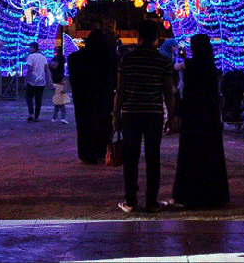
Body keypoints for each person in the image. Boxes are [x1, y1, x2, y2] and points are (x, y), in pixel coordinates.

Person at [113, 20, 176, 213]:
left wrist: (116, 115)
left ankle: (131, 201)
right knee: (152, 157)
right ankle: (151, 201)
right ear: (157, 37)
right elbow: (168, 92)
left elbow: (120, 90)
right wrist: (171, 117)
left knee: (131, 157)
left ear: (138, 36)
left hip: (130, 113)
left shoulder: (126, 59)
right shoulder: (164, 61)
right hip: (153, 114)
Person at [172, 34, 230, 209]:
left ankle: (190, 194)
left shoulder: (192, 65)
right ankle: (213, 194)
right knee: (210, 153)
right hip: (210, 115)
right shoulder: (211, 66)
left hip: (193, 116)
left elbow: (188, 92)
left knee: (192, 153)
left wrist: (178, 110)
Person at [67, 29, 116, 163]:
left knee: (84, 125)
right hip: (104, 98)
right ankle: (101, 151)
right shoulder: (109, 58)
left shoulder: (75, 59)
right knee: (103, 124)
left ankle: (86, 152)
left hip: (83, 98)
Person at [25, 42, 49, 122]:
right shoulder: (43, 57)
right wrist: (49, 80)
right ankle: (37, 116)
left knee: (29, 97)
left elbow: (30, 69)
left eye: (30, 47)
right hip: (41, 81)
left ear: (34, 48)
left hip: (32, 80)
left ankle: (31, 114)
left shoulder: (31, 57)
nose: (29, 49)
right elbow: (46, 69)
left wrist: (26, 80)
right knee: (38, 99)